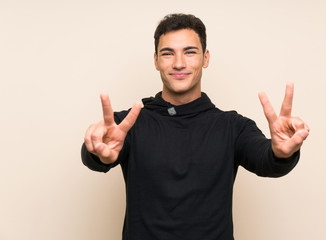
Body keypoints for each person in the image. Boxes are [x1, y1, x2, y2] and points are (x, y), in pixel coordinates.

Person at [81, 13, 309, 240]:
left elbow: (266, 160)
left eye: (190, 52)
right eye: (167, 53)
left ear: (205, 58)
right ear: (156, 60)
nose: (179, 63)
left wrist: (281, 152)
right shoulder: (129, 124)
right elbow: (97, 155)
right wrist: (96, 151)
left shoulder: (232, 126)